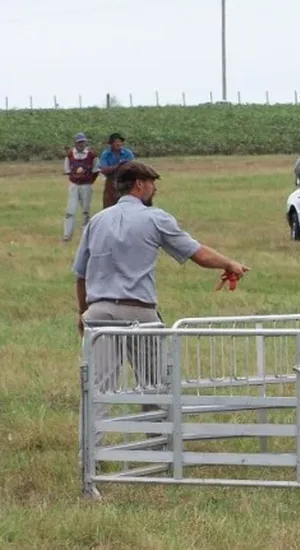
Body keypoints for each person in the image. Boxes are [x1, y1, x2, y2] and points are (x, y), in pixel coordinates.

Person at [73, 160, 249, 441]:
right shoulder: (155, 218)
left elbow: (80, 275)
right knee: (154, 384)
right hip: (140, 314)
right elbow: (198, 254)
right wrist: (230, 264)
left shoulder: (97, 221)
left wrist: (83, 312)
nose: (154, 187)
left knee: (97, 389)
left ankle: (90, 459)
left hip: (99, 314)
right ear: (140, 184)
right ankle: (157, 448)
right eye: (152, 182)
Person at [63, 132, 100, 242]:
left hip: (87, 185)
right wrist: (76, 180)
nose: (81, 144)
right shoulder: (70, 155)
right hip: (74, 185)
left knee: (86, 211)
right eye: (79, 142)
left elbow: (95, 171)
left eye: (83, 142)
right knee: (70, 210)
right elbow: (68, 171)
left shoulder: (92, 156)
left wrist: (88, 181)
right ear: (75, 143)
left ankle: (85, 236)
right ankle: (67, 235)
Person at [98, 133, 136, 209]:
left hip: (125, 182)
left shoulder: (128, 153)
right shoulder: (106, 154)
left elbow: (131, 167)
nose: (119, 143)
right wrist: (119, 166)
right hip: (110, 183)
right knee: (108, 207)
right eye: (116, 141)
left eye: (120, 141)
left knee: (126, 207)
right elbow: (104, 170)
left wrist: (113, 168)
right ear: (111, 144)